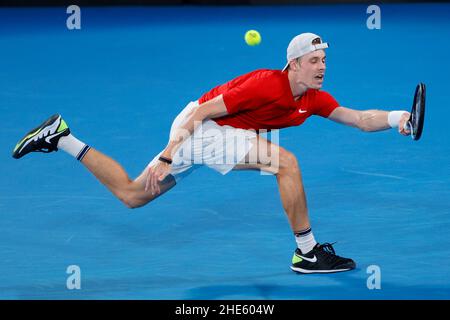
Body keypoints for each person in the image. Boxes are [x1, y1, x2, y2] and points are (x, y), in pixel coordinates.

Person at [12, 33, 411, 274]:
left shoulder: (313, 98)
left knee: (132, 196)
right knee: (285, 163)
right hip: (201, 128)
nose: (321, 67)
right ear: (293, 65)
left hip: (213, 136)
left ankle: (61, 137)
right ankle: (307, 254)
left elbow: (358, 118)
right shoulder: (265, 84)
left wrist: (396, 118)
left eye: (324, 60)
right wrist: (170, 152)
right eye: (313, 61)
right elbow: (202, 111)